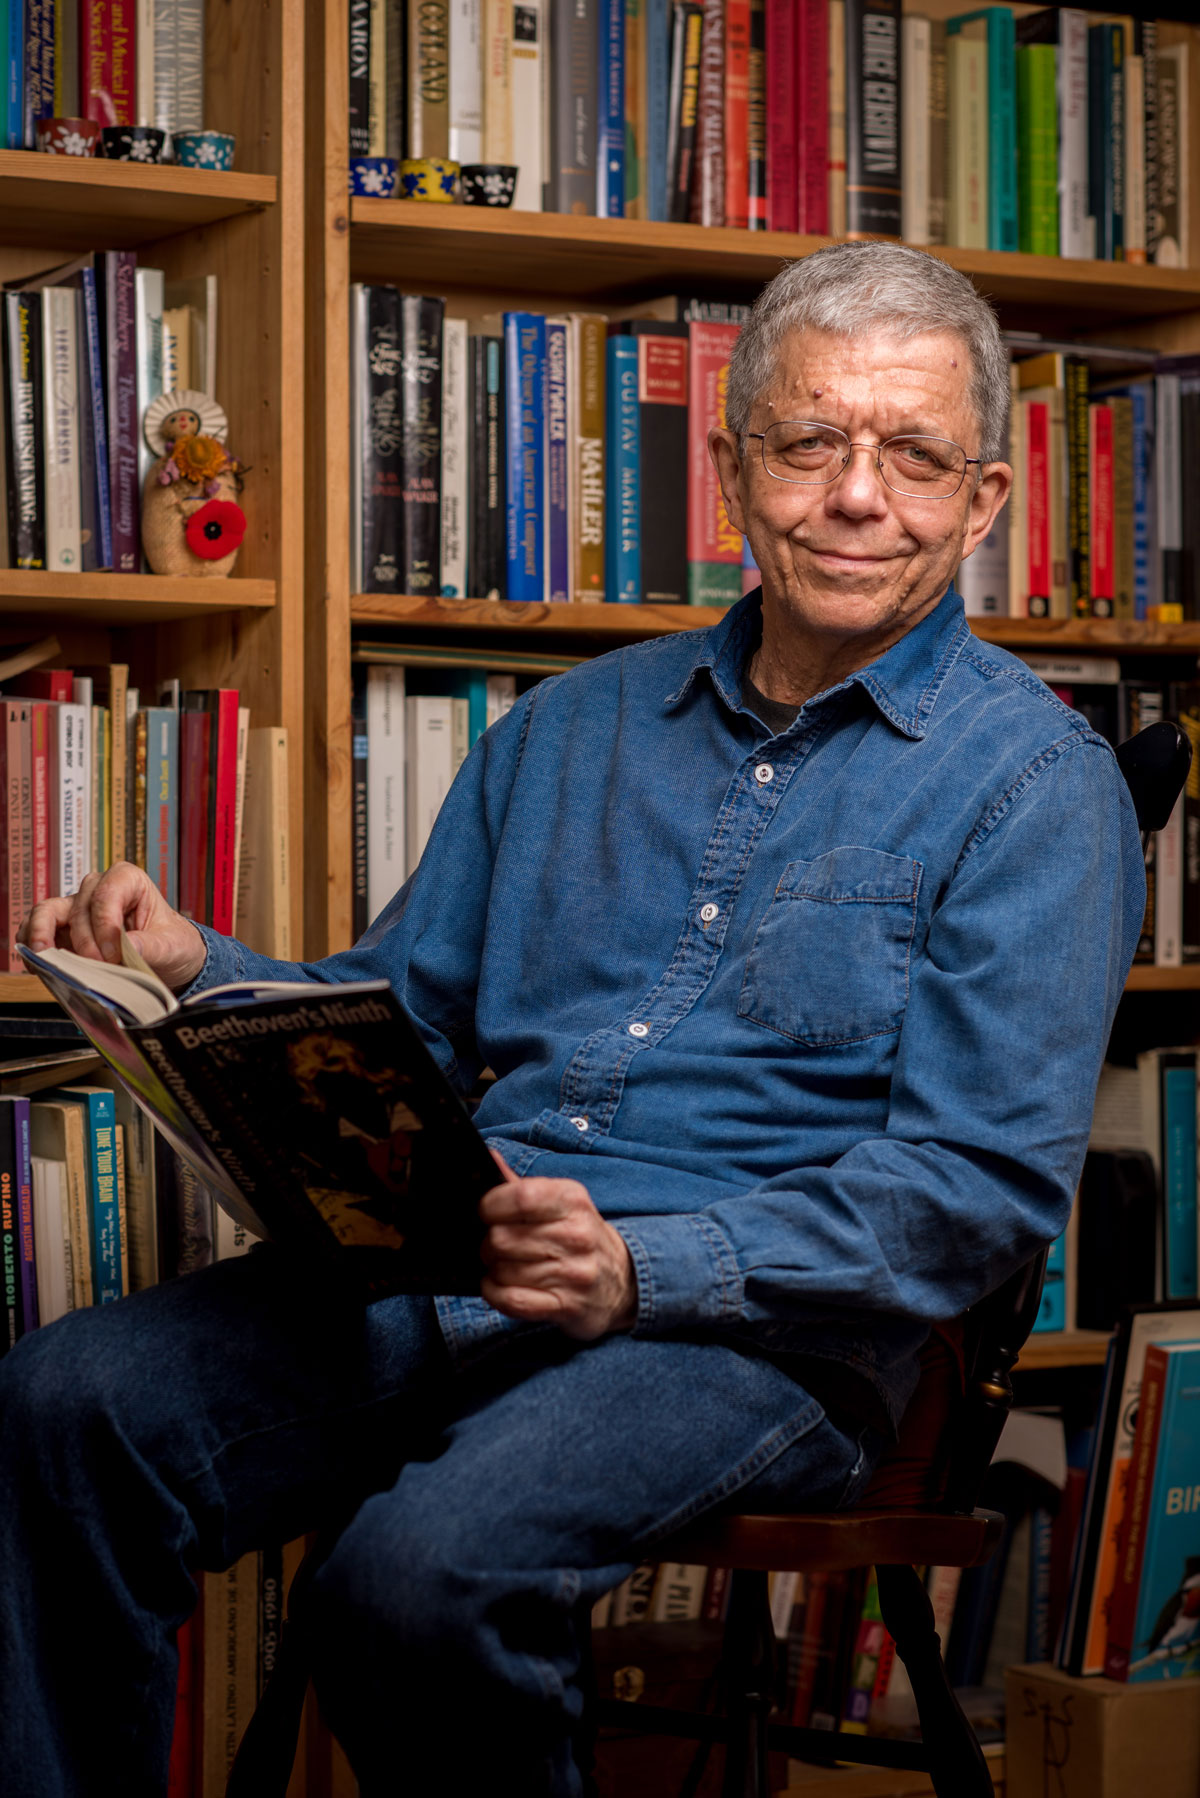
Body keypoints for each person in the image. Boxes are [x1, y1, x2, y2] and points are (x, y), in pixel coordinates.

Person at [2, 241, 1144, 1796]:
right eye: (810, 441)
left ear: (985, 499)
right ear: (732, 469)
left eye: (916, 455)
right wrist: (202, 973)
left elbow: (980, 1185)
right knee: (63, 1406)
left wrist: (642, 1265)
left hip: (764, 1331)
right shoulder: (565, 728)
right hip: (465, 1260)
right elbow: (396, 1013)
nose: (858, 495)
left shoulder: (1037, 786)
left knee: (416, 1578)